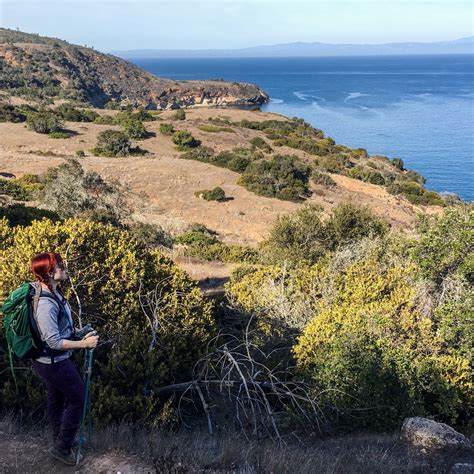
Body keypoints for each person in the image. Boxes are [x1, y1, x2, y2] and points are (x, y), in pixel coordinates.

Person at [30, 251, 99, 466]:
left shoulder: (55, 293)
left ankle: (60, 439)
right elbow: (53, 342)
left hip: (50, 361)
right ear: (50, 272)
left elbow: (59, 328)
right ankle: (62, 447)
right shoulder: (45, 304)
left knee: (57, 399)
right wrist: (84, 344)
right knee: (78, 397)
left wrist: (77, 331)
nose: (63, 267)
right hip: (52, 362)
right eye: (59, 265)